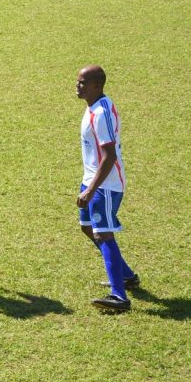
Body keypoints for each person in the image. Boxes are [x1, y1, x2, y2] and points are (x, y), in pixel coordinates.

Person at [75, 65, 138, 313]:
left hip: (106, 185)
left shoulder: (102, 113)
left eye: (83, 82)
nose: (78, 86)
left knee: (104, 233)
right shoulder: (92, 107)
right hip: (92, 179)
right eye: (77, 81)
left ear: (97, 86)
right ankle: (126, 276)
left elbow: (110, 156)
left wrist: (91, 189)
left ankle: (119, 297)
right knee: (88, 227)